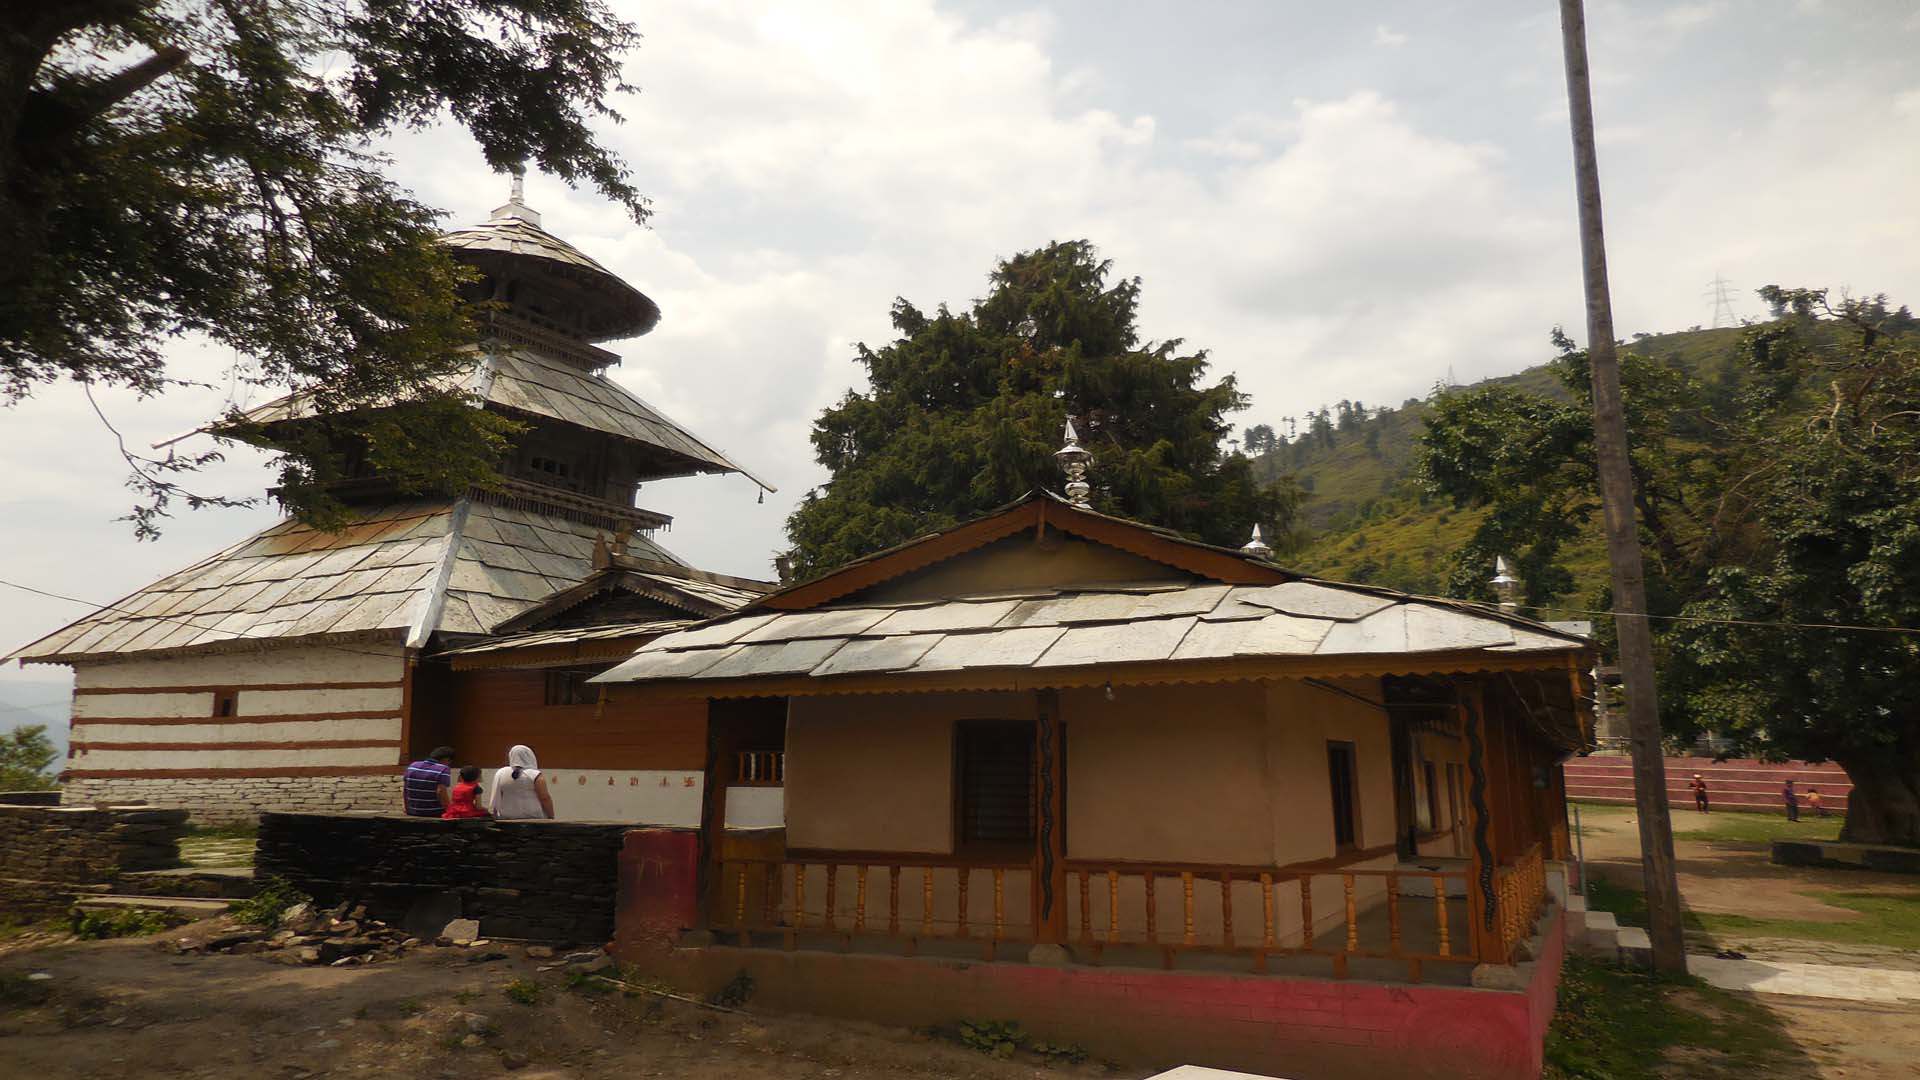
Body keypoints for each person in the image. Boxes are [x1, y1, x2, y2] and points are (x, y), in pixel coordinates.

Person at [487, 744, 555, 820]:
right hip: (533, 818)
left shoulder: (501, 772)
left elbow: (497, 797)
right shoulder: (535, 774)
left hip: (507, 817)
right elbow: (544, 798)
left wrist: (495, 815)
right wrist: (551, 816)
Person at [403, 746, 456, 817]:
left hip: (412, 811)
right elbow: (440, 792)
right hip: (434, 812)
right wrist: (450, 811)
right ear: (447, 759)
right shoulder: (443, 769)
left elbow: (405, 789)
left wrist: (407, 809)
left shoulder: (412, 765)